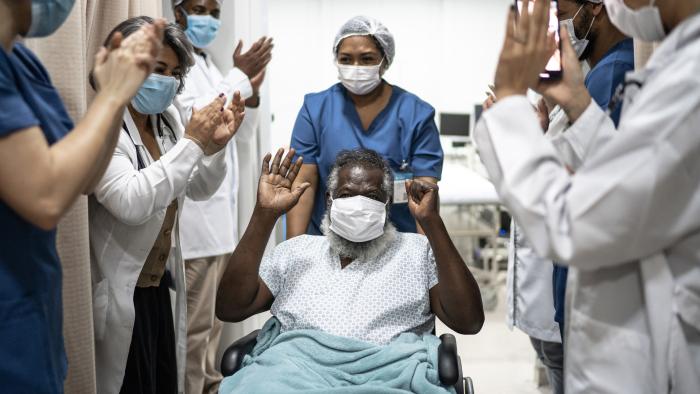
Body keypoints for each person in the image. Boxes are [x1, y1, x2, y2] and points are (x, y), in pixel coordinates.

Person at [474, 0, 700, 392]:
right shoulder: (678, 63)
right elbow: (632, 186)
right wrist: (578, 102)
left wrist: (509, 106)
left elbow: (574, 223)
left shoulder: (691, 77)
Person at [0, 0, 161, 391]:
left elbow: (85, 177)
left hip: (35, 308)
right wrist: (108, 99)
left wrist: (116, 96)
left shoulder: (21, 62)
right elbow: (45, 198)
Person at [88, 17, 244, 394]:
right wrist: (193, 144)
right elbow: (131, 201)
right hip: (122, 287)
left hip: (159, 286)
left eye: (174, 72)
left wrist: (214, 149)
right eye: (157, 69)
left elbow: (201, 187)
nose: (167, 80)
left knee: (162, 380)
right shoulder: (103, 124)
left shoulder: (168, 120)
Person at [216, 146, 483, 350]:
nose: (358, 204)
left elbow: (468, 321)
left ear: (387, 205)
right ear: (329, 200)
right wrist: (264, 216)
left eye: (372, 197)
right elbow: (231, 307)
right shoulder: (296, 252)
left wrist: (432, 223)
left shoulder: (416, 252)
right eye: (346, 195)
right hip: (297, 374)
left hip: (387, 377)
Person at [170, 1, 273, 392]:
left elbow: (238, 136)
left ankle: (209, 386)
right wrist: (239, 77)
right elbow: (201, 118)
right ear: (178, 12)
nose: (210, 19)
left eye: (215, 12)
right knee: (194, 329)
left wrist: (251, 94)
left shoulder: (210, 65)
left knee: (212, 326)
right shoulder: (178, 65)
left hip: (220, 224)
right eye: (201, 9)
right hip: (195, 226)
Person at [287, 16, 443, 238]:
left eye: (367, 58)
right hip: (328, 242)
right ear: (336, 60)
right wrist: (294, 250)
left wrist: (427, 257)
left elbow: (425, 194)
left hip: (397, 243)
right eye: (346, 59)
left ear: (384, 61)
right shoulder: (315, 109)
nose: (356, 67)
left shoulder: (416, 114)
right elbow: (303, 184)